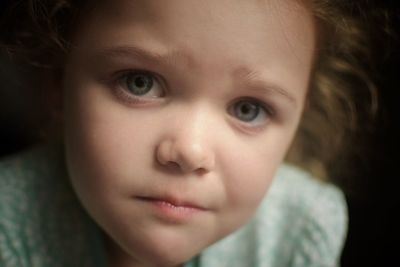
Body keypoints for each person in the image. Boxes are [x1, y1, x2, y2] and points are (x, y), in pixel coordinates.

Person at [0, 0, 381, 266]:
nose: (190, 151)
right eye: (140, 83)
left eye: (248, 109)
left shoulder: (300, 226)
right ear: (57, 81)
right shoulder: (9, 224)